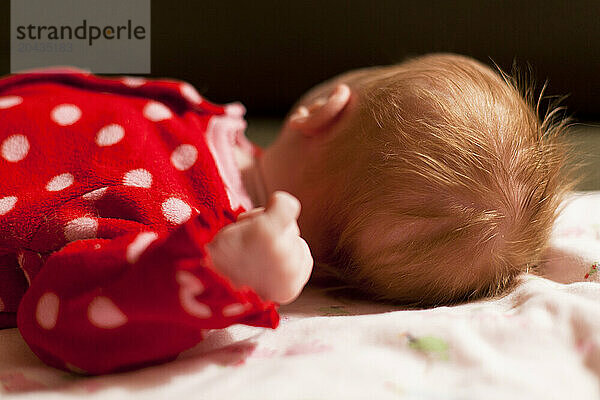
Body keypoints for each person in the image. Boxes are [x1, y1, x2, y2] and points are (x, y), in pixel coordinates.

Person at [0, 53, 571, 374]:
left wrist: (212, 272)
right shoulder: (208, 124)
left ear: (322, 109)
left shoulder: (181, 231)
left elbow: (63, 316)